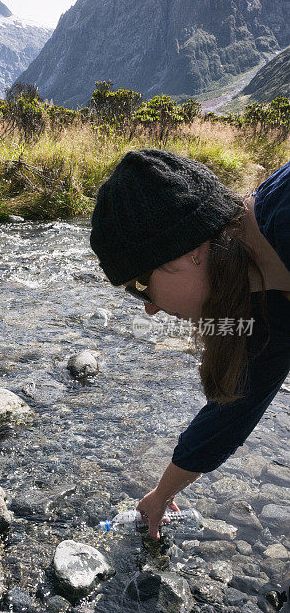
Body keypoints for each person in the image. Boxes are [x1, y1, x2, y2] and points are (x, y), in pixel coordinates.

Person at [89, 149, 290, 538]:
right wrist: (162, 494)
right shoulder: (263, 301)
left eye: (140, 287)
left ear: (189, 253)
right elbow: (231, 411)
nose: (148, 310)